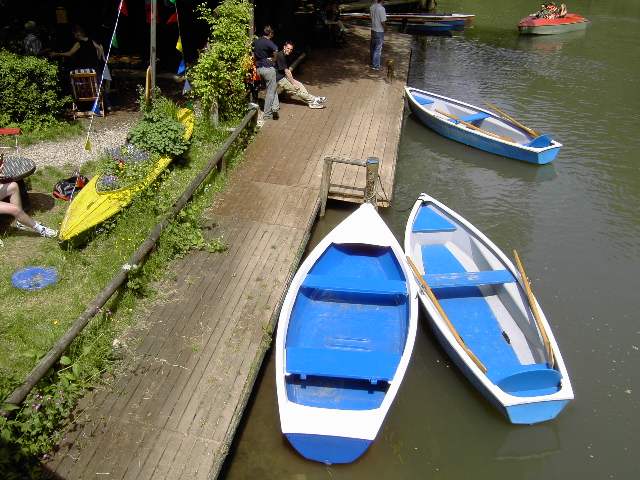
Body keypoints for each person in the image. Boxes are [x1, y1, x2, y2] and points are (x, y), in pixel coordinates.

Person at [275, 41, 326, 109]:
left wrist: (293, 81)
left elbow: (287, 71)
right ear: (284, 47)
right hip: (279, 79)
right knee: (296, 90)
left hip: (283, 76)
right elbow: (286, 71)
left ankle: (311, 102)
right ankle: (314, 99)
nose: (289, 50)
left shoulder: (286, 55)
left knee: (300, 85)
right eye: (288, 48)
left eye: (291, 49)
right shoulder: (280, 55)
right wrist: (293, 83)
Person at [253, 25, 280, 122]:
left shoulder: (257, 41)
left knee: (272, 88)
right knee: (270, 92)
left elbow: (252, 52)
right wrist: (273, 60)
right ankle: (267, 114)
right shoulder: (268, 42)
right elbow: (276, 50)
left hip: (259, 69)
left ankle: (275, 107)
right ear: (270, 34)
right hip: (268, 69)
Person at [370, 0, 386, 71]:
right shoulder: (381, 8)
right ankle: (376, 66)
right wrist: (386, 29)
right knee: (378, 49)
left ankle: (372, 63)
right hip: (379, 30)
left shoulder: (372, 7)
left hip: (373, 29)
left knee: (373, 47)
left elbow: (371, 18)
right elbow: (383, 21)